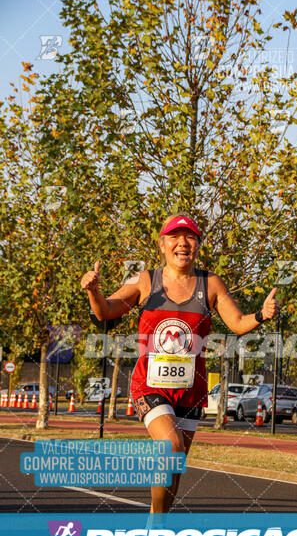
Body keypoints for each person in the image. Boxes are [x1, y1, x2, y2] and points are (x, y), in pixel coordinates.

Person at [81, 213, 279, 513]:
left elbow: (237, 323)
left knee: (174, 467)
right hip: (150, 385)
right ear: (162, 244)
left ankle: (158, 523)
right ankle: (155, 527)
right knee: (170, 446)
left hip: (190, 390)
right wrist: (94, 291)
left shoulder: (210, 283)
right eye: (174, 237)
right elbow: (105, 311)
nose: (182, 243)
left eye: (190, 237)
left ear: (197, 244)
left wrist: (261, 315)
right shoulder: (145, 281)